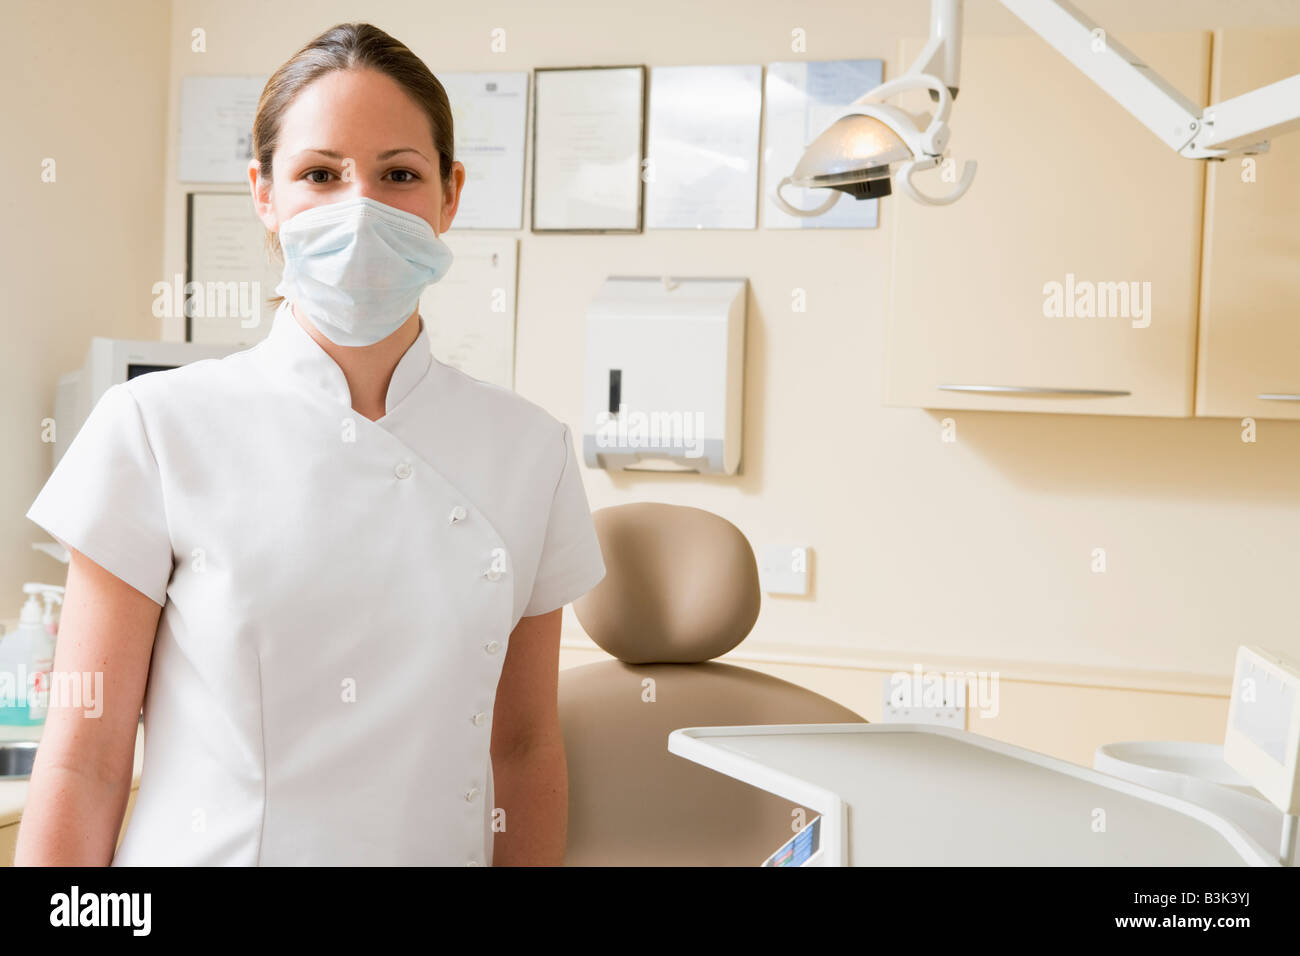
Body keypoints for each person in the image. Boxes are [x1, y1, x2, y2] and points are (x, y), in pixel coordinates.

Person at [15, 22, 605, 866]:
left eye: (399, 174)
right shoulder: (154, 428)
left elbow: (524, 752)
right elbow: (86, 761)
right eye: (320, 175)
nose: (358, 207)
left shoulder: (529, 450)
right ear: (263, 193)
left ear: (450, 195)